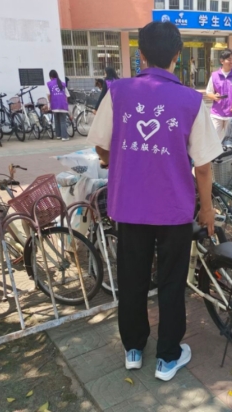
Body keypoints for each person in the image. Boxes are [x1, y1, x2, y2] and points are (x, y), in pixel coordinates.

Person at [85, 21, 222, 382]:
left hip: (129, 208)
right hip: (174, 210)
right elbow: (203, 166)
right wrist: (207, 209)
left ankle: (133, 349)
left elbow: (101, 145)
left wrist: (117, 160)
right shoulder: (191, 100)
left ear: (141, 54)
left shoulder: (118, 92)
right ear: (178, 54)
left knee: (132, 279)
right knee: (172, 282)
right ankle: (167, 358)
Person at [206, 48, 232, 140]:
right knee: (212, 139)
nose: (231, 62)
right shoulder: (214, 75)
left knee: (230, 141)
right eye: (229, 59)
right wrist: (214, 96)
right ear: (222, 61)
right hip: (216, 114)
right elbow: (208, 92)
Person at [46, 69, 70, 141]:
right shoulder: (62, 83)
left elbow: (48, 95)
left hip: (54, 105)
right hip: (63, 105)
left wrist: (49, 103)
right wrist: (66, 104)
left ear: (50, 76)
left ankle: (58, 135)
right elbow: (67, 95)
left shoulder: (49, 84)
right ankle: (64, 137)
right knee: (63, 121)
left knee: (56, 120)